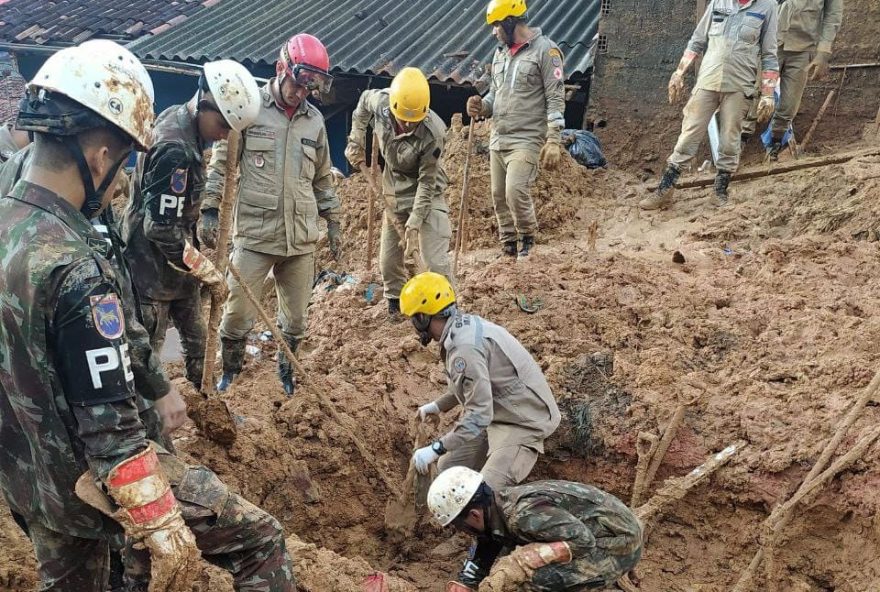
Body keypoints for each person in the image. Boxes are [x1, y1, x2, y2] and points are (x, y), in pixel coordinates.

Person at [0, 40, 295, 591]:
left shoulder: (7, 227)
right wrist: (167, 534)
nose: (118, 187)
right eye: (122, 166)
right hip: (87, 486)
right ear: (99, 157)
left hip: (29, 485)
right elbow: (116, 444)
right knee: (262, 541)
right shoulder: (76, 272)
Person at [200, 34, 341, 396]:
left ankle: (287, 374)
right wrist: (210, 208)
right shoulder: (250, 110)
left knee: (295, 320)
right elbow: (222, 164)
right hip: (255, 235)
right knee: (236, 316)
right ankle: (229, 371)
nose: (301, 93)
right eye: (297, 83)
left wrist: (333, 218)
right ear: (282, 69)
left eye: (310, 87)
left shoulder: (315, 123)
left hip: (301, 239)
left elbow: (323, 176)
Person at [122, 59, 261, 388]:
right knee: (150, 359)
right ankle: (152, 423)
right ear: (204, 102)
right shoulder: (175, 149)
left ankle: (207, 406)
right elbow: (159, 228)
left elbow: (178, 212)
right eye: (223, 124)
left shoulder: (189, 127)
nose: (226, 134)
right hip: (151, 272)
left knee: (199, 342)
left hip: (179, 268)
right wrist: (207, 271)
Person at [402, 272, 559, 486]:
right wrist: (438, 406)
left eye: (414, 318)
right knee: (448, 471)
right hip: (496, 411)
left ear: (423, 318)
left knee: (488, 493)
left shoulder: (464, 349)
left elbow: (479, 414)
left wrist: (436, 448)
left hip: (524, 419)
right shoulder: (460, 329)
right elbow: (474, 383)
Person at [639, 0, 779, 209]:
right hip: (708, 80)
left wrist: (768, 93)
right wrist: (679, 72)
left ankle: (720, 191)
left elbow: (769, 54)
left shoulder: (767, 7)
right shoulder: (718, 2)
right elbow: (697, 41)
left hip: (739, 84)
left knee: (730, 138)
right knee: (689, 132)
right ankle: (665, 189)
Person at [345, 67, 453, 321]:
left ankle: (447, 311)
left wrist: (414, 224)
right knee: (388, 261)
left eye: (413, 121)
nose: (407, 125)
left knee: (434, 262)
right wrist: (355, 140)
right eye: (403, 119)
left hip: (426, 193)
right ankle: (395, 305)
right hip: (393, 191)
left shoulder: (434, 133)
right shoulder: (382, 103)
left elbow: (427, 183)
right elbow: (362, 105)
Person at [428, 467, 643, 592]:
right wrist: (466, 582)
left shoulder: (523, 515)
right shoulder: (496, 506)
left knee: (527, 582)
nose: (464, 532)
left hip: (619, 542)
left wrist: (524, 561)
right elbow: (488, 542)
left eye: (460, 525)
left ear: (474, 515)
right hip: (594, 529)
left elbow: (583, 542)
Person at [466, 0, 566, 259]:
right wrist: (481, 106)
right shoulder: (500, 54)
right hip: (498, 137)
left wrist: (553, 139)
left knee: (515, 190)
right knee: (498, 195)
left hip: (526, 138)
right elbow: (495, 94)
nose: (493, 32)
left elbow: (556, 98)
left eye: (496, 25)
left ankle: (527, 241)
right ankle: (508, 244)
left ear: (510, 22)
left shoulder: (546, 51)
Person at [742, 0, 844, 159]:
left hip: (802, 49)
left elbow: (832, 16)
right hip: (770, 45)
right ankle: (739, 143)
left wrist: (823, 51)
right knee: (755, 95)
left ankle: (774, 145)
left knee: (789, 106)